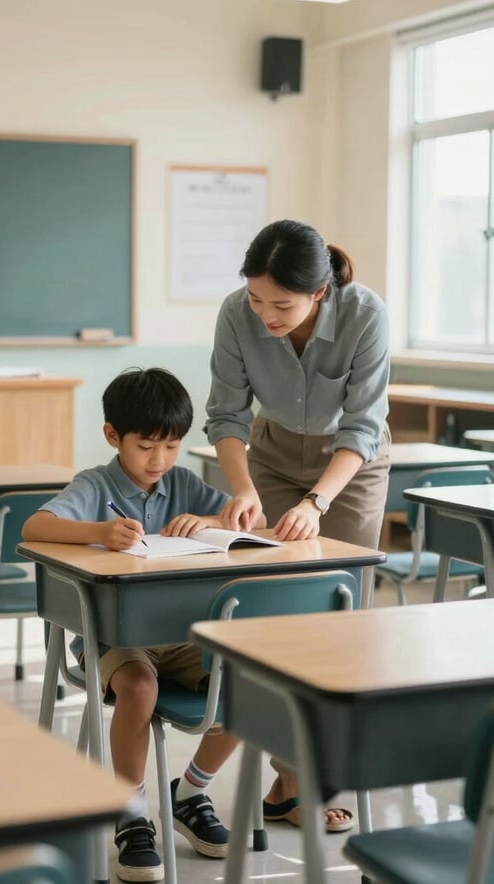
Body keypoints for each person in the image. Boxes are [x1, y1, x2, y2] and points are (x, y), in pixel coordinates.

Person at [23, 366, 255, 883]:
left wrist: (214, 521)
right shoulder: (95, 484)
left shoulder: (183, 483)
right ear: (113, 436)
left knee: (253, 678)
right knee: (139, 686)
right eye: (147, 446)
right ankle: (130, 813)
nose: (160, 460)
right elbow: (34, 525)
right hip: (112, 636)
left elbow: (249, 521)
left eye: (171, 447)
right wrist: (100, 533)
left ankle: (190, 793)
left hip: (179, 634)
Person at [205, 218, 391, 830]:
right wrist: (243, 489)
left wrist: (316, 503)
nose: (265, 315)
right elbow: (227, 415)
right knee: (278, 613)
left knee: (341, 611)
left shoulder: (364, 314)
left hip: (350, 467)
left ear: (319, 293)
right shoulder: (237, 313)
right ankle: (293, 779)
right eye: (256, 299)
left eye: (280, 303)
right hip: (273, 456)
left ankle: (316, 770)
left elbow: (362, 426)